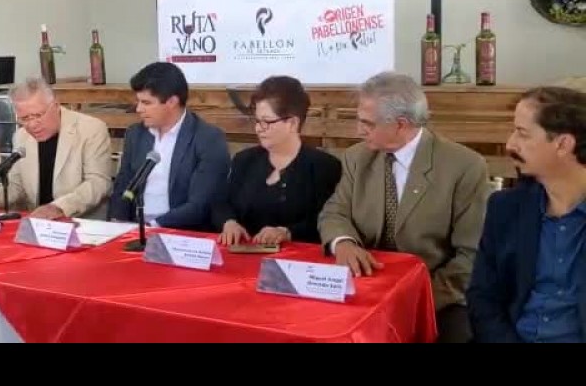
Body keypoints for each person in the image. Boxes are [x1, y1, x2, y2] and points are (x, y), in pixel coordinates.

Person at [318, 72, 491, 343]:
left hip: (436, 294)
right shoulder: (356, 157)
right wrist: (343, 243)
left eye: (367, 123)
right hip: (365, 287)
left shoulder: (465, 166)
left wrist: (415, 298)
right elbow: (334, 212)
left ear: (401, 124)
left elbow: (471, 256)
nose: (358, 131)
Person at [468, 87, 586, 343]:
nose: (510, 144)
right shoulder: (505, 208)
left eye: (522, 133)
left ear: (563, 144)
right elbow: (483, 298)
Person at [215, 76, 341, 246]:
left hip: (296, 256)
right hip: (242, 253)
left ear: (293, 123)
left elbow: (327, 221)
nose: (258, 129)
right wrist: (228, 222)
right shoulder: (244, 160)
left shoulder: (324, 167)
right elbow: (221, 203)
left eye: (267, 122)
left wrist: (287, 232)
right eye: (257, 121)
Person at [108, 62, 231, 230]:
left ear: (172, 101)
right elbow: (122, 186)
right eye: (138, 101)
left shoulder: (208, 138)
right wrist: (116, 223)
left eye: (146, 103)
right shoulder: (135, 134)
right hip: (134, 228)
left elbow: (200, 204)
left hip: (181, 231)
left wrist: (151, 226)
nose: (138, 109)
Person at [0, 77, 112, 220]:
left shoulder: (91, 129)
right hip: (37, 222)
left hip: (80, 220)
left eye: (38, 115)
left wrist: (59, 207)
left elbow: (98, 183)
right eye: (25, 118)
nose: (32, 125)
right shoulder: (21, 136)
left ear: (56, 105)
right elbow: (16, 186)